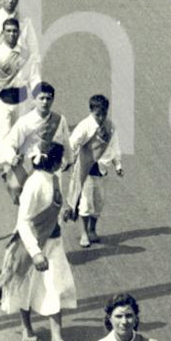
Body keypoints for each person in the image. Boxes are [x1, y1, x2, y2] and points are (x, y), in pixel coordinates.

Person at [0, 142, 78, 341]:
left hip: (53, 241)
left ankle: (57, 339)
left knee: (56, 286)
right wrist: (35, 252)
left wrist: (63, 213)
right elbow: (23, 221)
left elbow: (53, 205)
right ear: (55, 161)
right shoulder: (34, 184)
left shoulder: (54, 178)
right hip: (30, 244)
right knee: (26, 285)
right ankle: (26, 328)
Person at [65, 95, 124, 248]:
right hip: (86, 170)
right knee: (85, 203)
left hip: (102, 170)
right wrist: (70, 158)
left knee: (99, 202)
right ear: (91, 111)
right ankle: (84, 233)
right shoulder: (85, 126)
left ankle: (92, 229)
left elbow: (114, 147)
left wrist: (118, 165)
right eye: (98, 114)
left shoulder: (110, 127)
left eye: (104, 113)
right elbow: (72, 143)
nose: (101, 117)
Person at [0, 17, 38, 155]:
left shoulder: (26, 55)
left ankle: (16, 167)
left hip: (23, 100)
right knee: (5, 137)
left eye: (15, 31)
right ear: (3, 33)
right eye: (9, 31)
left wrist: (37, 96)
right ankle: (8, 171)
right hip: (2, 101)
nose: (12, 34)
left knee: (21, 137)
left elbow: (34, 77)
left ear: (19, 33)